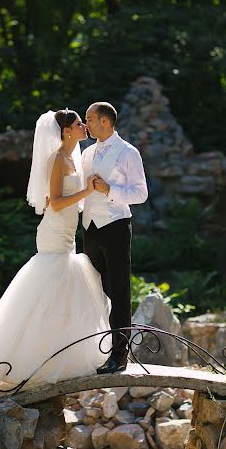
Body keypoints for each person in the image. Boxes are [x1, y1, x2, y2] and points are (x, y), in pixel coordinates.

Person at [0, 110, 111, 391]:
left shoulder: (74, 157)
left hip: (67, 233)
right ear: (65, 131)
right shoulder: (57, 160)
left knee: (63, 295)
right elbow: (57, 203)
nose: (83, 126)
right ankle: (20, 361)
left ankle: (54, 357)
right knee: (46, 288)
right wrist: (87, 191)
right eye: (78, 124)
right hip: (54, 231)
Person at [82, 102, 148, 374]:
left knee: (119, 292)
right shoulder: (86, 153)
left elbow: (141, 193)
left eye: (89, 118)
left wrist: (110, 189)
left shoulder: (128, 152)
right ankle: (90, 349)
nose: (85, 124)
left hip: (116, 225)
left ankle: (119, 355)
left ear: (105, 121)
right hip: (89, 227)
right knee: (94, 289)